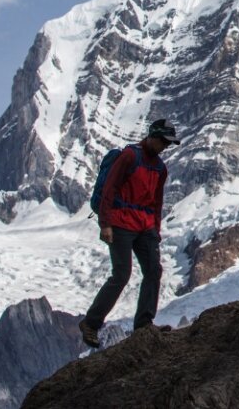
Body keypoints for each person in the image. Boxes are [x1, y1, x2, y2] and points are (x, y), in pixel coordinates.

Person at [78, 119, 179, 347]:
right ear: (152, 136)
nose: (165, 146)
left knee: (154, 270)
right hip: (120, 223)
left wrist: (155, 229)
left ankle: (143, 325)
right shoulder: (130, 157)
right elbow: (110, 189)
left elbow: (157, 201)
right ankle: (91, 323)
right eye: (163, 141)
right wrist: (105, 223)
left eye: (168, 143)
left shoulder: (160, 168)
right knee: (121, 274)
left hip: (145, 227)